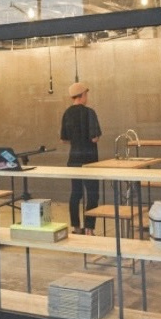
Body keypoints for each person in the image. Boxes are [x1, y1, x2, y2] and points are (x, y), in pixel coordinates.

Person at [60, 82, 101, 235]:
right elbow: (95, 138)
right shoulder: (89, 112)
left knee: (76, 193)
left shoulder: (67, 113)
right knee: (92, 194)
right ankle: (89, 229)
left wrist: (76, 139)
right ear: (82, 95)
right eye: (86, 94)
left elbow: (64, 139)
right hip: (89, 160)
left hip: (74, 159)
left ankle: (76, 228)